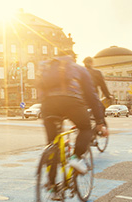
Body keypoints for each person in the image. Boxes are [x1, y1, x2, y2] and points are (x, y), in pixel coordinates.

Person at [38, 49, 108, 177]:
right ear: (72, 57)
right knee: (86, 128)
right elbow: (92, 96)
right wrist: (99, 121)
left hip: (48, 105)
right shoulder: (79, 69)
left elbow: (40, 90)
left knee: (52, 143)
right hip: (71, 102)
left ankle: (52, 187)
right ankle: (76, 158)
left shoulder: (46, 67)